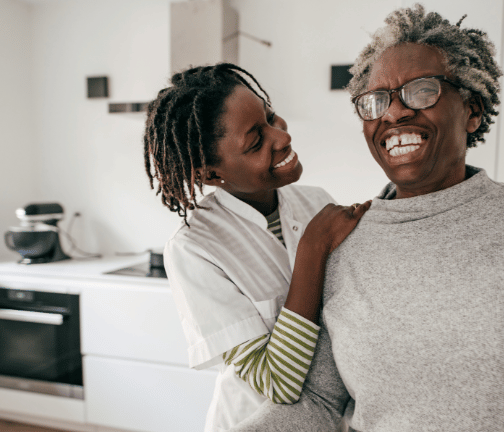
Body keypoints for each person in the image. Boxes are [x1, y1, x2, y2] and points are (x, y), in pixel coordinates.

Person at [232, 5, 504, 431]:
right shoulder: (345, 244)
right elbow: (320, 403)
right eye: (376, 100)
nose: (395, 112)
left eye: (422, 91)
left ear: (472, 111)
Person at [143, 63, 371, 431]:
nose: (281, 137)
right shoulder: (194, 249)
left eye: (269, 117)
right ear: (211, 174)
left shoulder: (316, 201)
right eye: (255, 142)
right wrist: (313, 249)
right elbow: (276, 383)